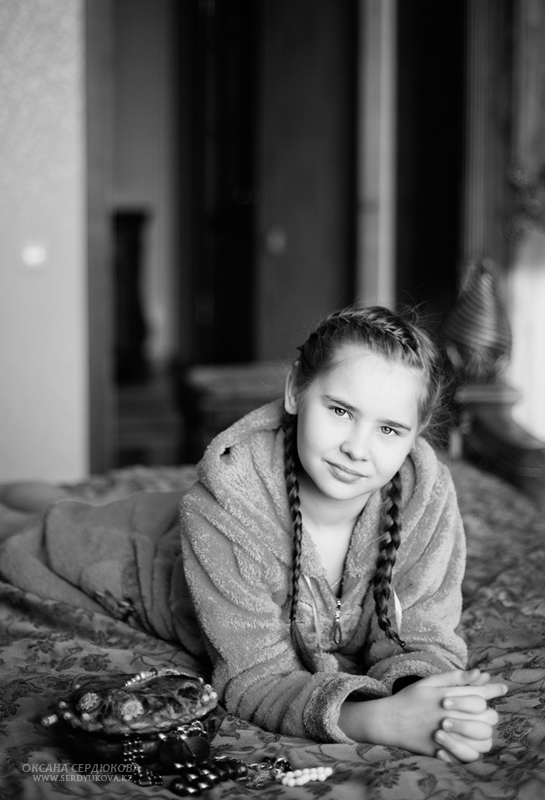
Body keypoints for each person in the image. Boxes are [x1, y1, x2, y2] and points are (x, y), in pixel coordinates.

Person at [0, 304, 507, 764]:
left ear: (416, 435)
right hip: (151, 558)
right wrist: (377, 718)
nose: (357, 448)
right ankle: (43, 506)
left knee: (72, 505)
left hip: (186, 527)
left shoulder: (426, 498)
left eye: (389, 429)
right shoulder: (222, 505)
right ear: (294, 392)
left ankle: (50, 497)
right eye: (340, 410)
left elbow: (421, 632)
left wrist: (431, 697)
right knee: (40, 536)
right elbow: (254, 676)